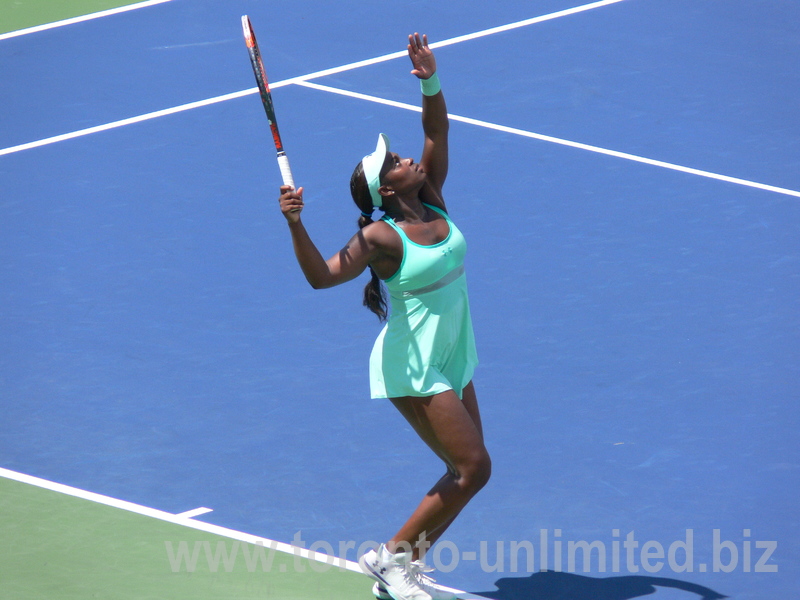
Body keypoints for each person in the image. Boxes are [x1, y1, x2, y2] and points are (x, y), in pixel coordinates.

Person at [278, 33, 491, 600]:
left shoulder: (433, 197)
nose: (405, 159)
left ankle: (401, 570)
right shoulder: (381, 236)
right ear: (386, 189)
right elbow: (322, 276)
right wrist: (296, 223)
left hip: (453, 350)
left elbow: (436, 131)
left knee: (472, 473)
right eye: (393, 163)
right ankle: (390, 558)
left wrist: (429, 80)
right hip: (414, 363)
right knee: (471, 469)